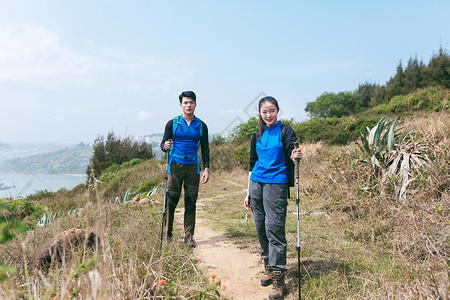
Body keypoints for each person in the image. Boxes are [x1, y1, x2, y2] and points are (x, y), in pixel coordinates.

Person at [244, 96, 302, 299]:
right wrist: (248, 191)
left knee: (274, 228)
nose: (268, 115)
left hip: (276, 184)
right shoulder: (257, 135)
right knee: (260, 226)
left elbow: (291, 153)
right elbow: (252, 163)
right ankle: (268, 266)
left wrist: (295, 157)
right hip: (256, 184)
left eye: (272, 111)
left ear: (278, 111)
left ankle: (279, 277)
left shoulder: (286, 131)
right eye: (264, 112)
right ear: (259, 113)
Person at [160, 91, 210, 247]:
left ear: (195, 104)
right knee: (171, 201)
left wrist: (206, 168)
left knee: (190, 201)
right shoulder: (172, 123)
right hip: (175, 166)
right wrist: (165, 146)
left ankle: (189, 236)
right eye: (185, 102)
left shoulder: (201, 125)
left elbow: (205, 149)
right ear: (181, 105)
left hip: (193, 167)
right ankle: (167, 234)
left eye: (191, 102)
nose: (188, 105)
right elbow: (163, 144)